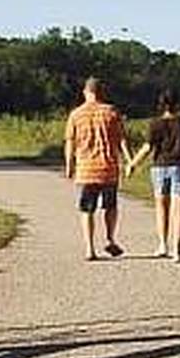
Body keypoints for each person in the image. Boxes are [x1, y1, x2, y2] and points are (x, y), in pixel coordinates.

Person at [127, 88, 180, 261]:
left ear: (162, 105)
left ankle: (162, 244)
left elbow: (147, 148)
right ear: (178, 104)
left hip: (159, 167)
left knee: (161, 208)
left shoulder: (155, 124)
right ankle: (177, 249)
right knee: (179, 209)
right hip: (179, 166)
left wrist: (133, 164)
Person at [65, 77, 133, 260]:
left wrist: (69, 166)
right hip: (108, 168)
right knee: (110, 206)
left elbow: (70, 144)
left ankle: (89, 248)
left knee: (87, 209)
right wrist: (129, 160)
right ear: (101, 92)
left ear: (85, 92)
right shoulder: (111, 112)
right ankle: (110, 238)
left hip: (86, 169)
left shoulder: (76, 115)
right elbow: (122, 139)